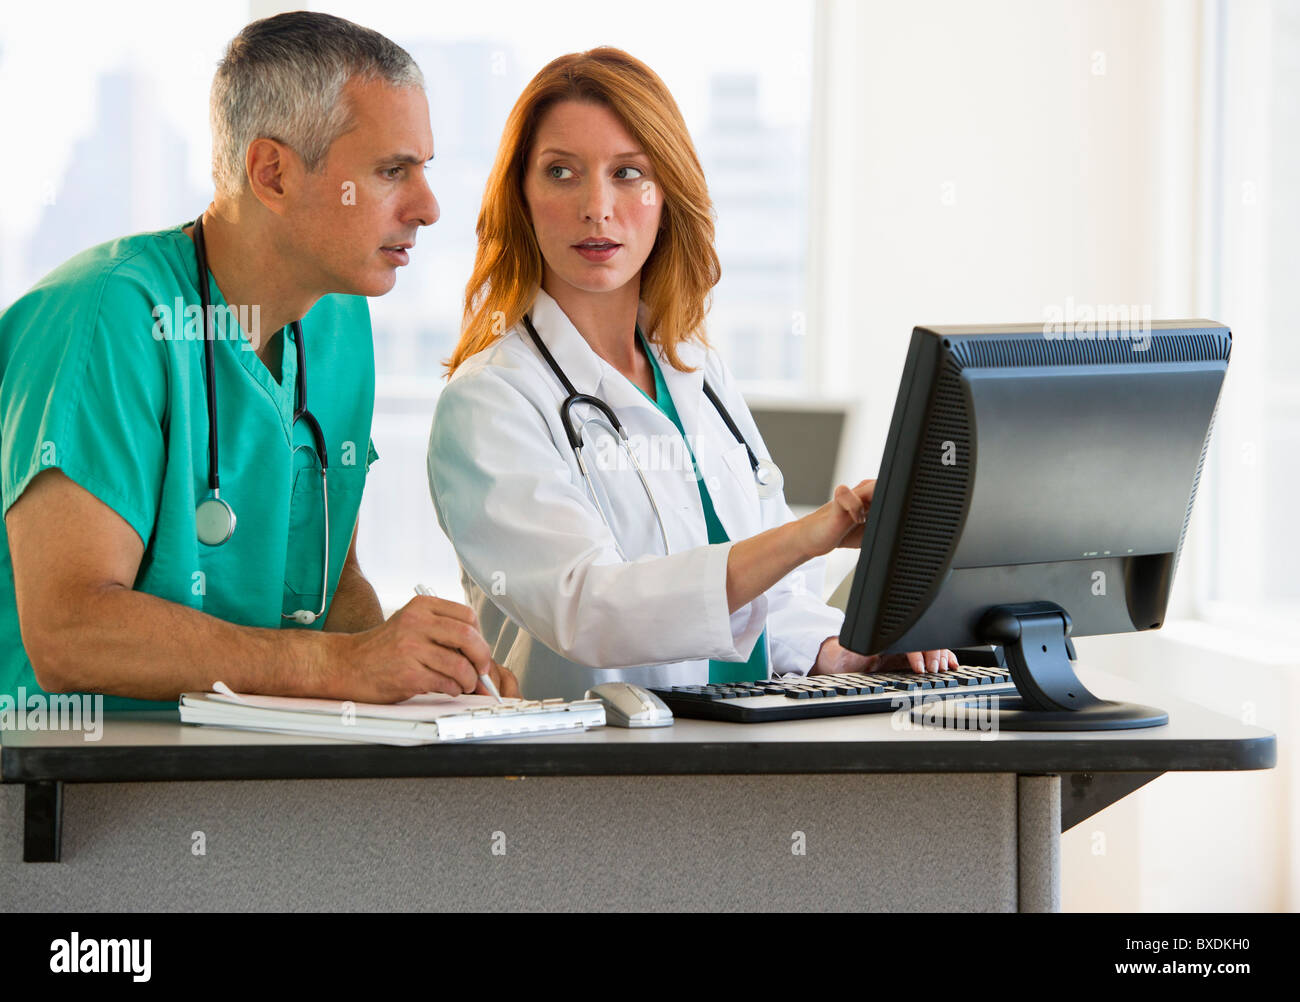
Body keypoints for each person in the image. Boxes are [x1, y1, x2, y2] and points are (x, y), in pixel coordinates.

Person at [0, 11, 516, 710]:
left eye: (422, 169)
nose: (427, 207)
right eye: (391, 171)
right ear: (271, 172)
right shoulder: (107, 318)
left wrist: (431, 675)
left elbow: (330, 590)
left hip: (244, 780)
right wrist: (338, 667)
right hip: (67, 786)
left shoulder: (337, 320)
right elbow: (71, 632)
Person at [427, 47, 958, 700]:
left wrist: (836, 651)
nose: (597, 206)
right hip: (580, 773)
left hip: (736, 753)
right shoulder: (489, 402)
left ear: (665, 194)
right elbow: (590, 609)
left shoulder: (696, 372)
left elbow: (770, 597)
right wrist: (804, 537)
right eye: (561, 172)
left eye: (627, 173)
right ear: (522, 197)